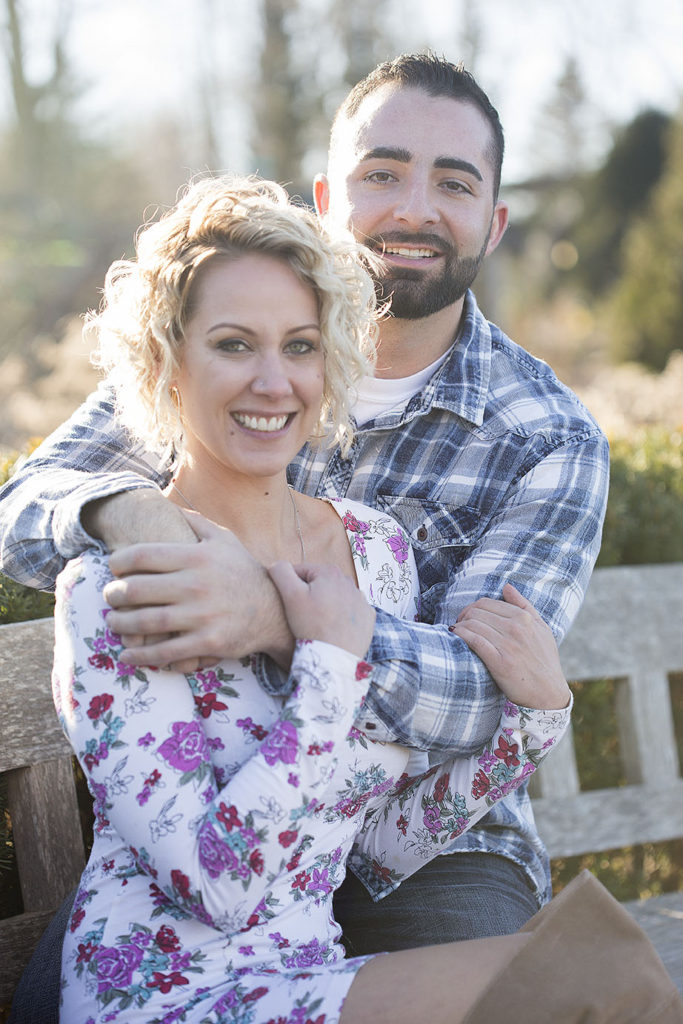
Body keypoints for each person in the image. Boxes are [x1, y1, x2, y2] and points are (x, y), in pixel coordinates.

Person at [1, 53, 609, 972]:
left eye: (453, 183)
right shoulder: (221, 348)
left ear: (494, 219)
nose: (413, 208)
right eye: (382, 173)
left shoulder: (546, 438)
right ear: (327, 197)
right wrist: (128, 514)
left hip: (431, 840)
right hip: (214, 821)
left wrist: (276, 616)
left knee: (494, 994)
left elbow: (480, 696)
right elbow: (27, 508)